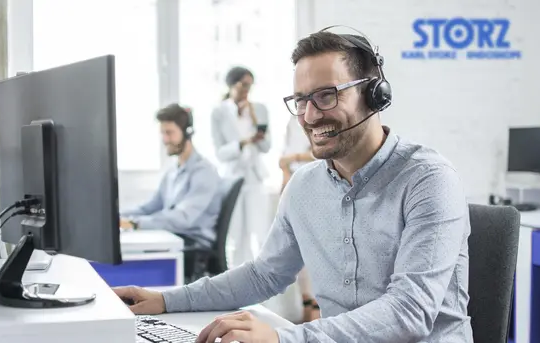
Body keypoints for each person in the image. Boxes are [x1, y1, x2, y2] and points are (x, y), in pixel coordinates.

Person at [114, 27, 472, 343]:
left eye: (327, 95)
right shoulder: (304, 187)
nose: (311, 115)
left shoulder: (428, 180)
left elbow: (409, 312)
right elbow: (263, 275)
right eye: (301, 100)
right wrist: (166, 300)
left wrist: (285, 338)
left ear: (375, 95)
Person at [120, 104, 222, 279]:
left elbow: (183, 219)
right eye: (162, 133)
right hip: (173, 238)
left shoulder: (204, 172)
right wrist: (116, 216)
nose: (165, 139)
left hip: (192, 247)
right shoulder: (173, 171)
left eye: (169, 133)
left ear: (187, 132)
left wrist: (135, 224)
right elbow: (150, 207)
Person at [209, 66, 272, 268]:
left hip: (255, 178)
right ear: (231, 84)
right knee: (235, 236)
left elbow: (266, 146)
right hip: (233, 178)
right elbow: (220, 153)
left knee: (260, 233)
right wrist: (243, 142)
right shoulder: (219, 113)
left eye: (250, 85)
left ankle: (258, 279)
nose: (247, 89)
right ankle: (235, 280)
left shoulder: (259, 109)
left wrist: (255, 121)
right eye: (243, 85)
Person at [279, 115, 318, 323]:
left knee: (314, 251)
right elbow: (283, 157)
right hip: (294, 187)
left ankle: (316, 308)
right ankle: (307, 306)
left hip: (314, 186)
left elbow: (320, 155)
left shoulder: (318, 120)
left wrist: (294, 157)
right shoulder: (291, 123)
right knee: (298, 252)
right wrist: (285, 176)